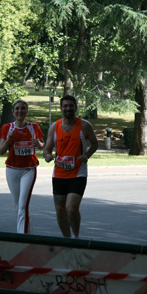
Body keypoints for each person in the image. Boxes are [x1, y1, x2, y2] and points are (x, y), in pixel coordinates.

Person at [43, 95, 98, 238]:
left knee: (71, 209)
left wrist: (87, 155)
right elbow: (46, 149)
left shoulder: (84, 125)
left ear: (75, 107)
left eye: (70, 106)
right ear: (61, 108)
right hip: (59, 174)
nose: (68, 108)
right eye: (65, 106)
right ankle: (67, 240)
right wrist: (47, 156)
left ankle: (76, 237)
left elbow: (95, 144)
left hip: (78, 173)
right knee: (60, 210)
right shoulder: (54, 127)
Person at [0, 99, 44, 234]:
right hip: (12, 169)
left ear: (27, 112)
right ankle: (27, 232)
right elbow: (1, 151)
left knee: (23, 205)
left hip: (28, 170)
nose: (20, 111)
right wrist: (8, 139)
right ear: (13, 112)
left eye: (23, 108)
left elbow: (43, 146)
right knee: (18, 205)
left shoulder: (34, 127)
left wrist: (39, 144)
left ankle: (21, 237)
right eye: (17, 109)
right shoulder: (7, 128)